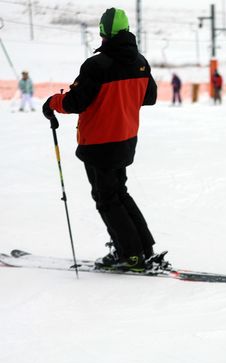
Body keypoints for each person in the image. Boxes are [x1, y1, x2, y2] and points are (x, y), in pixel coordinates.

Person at [41, 7, 158, 272]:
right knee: (119, 193)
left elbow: (76, 101)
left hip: (99, 143)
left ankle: (130, 255)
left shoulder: (97, 65)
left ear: (103, 32)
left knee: (107, 199)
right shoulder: (139, 62)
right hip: (126, 139)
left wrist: (53, 103)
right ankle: (143, 248)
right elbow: (149, 97)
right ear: (126, 30)